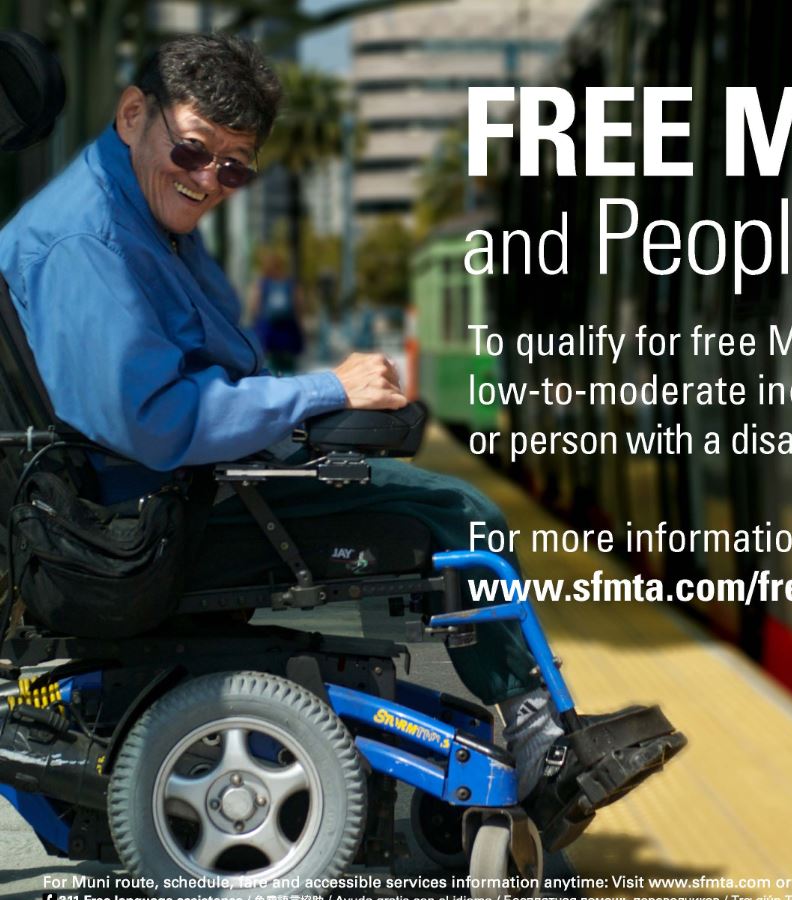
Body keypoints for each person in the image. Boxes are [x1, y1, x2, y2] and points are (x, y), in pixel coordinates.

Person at [0, 35, 565, 801]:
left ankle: (534, 716)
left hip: (153, 503)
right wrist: (323, 393)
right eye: (195, 151)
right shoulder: (90, 241)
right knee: (457, 516)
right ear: (134, 114)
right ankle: (539, 731)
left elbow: (218, 369)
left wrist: (311, 411)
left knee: (415, 489)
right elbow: (156, 421)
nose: (208, 182)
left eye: (233, 168)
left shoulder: (139, 216)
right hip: (134, 530)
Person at [245, 247, 304, 374]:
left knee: (269, 366)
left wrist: (254, 323)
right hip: (288, 331)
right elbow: (298, 306)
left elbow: (254, 305)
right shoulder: (290, 283)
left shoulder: (262, 283)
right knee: (289, 368)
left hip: (268, 331)